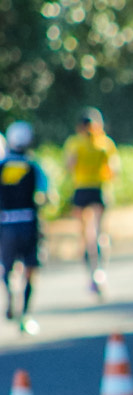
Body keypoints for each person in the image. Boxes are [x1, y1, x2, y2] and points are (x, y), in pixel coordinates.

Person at [0, 121, 49, 333]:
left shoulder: (1, 166)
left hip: (6, 225)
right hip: (29, 223)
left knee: (7, 267)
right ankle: (26, 314)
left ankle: (10, 296)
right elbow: (44, 196)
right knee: (31, 269)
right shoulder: (34, 166)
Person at [63, 107, 118, 296]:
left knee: (85, 235)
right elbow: (114, 170)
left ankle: (91, 273)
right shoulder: (105, 143)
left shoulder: (75, 142)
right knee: (100, 232)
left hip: (81, 189)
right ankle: (101, 270)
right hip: (99, 189)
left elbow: (69, 165)